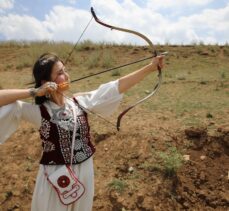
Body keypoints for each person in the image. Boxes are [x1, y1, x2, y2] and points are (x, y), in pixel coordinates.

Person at [0, 52, 164, 211]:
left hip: (84, 173)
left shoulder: (79, 102)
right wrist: (35, 92)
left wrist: (150, 68)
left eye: (65, 70)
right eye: (60, 72)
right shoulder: (37, 111)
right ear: (46, 81)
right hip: (56, 178)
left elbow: (116, 87)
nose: (67, 75)